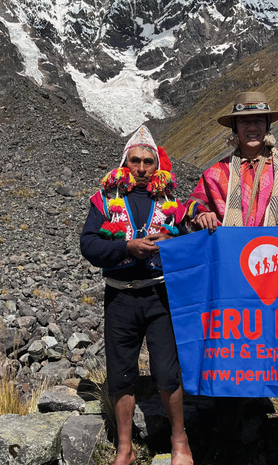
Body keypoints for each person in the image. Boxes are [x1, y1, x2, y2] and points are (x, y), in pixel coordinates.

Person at [185, 91, 278, 464]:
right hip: (234, 289)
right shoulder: (216, 175)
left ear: (268, 127)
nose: (252, 127)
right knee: (231, 357)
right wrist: (200, 215)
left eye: (258, 121)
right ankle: (230, 443)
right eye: (244, 122)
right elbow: (193, 205)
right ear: (234, 128)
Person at [80, 125, 193, 465]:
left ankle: (179, 440)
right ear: (124, 162)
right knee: (121, 372)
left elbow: (189, 246)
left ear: (157, 165)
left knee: (166, 370)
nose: (142, 169)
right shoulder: (105, 200)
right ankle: (124, 449)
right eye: (136, 161)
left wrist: (172, 243)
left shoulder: (171, 202)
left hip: (159, 295)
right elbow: (89, 244)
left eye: (148, 162)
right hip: (120, 297)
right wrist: (126, 247)